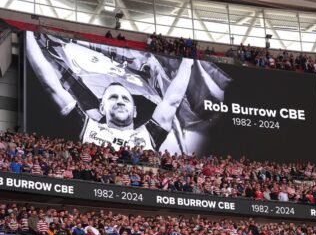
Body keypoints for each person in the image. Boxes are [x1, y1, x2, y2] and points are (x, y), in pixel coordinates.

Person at [26, 31, 193, 151]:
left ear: (135, 111)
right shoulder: (87, 128)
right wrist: (27, 33)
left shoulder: (149, 135)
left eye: (125, 99)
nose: (120, 101)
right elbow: (51, 86)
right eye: (113, 97)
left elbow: (173, 99)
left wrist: (188, 61)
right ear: (101, 108)